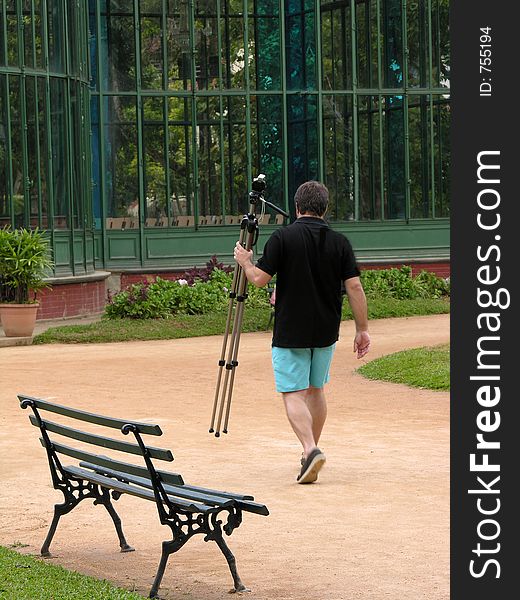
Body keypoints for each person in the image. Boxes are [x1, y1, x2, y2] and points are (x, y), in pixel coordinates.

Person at [233, 180, 370, 484]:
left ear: (297, 207)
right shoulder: (339, 242)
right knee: (316, 389)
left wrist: (245, 261)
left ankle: (310, 449)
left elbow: (257, 279)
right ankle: (311, 451)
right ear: (325, 208)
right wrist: (363, 330)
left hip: (291, 328)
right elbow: (355, 287)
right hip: (326, 329)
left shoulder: (283, 238)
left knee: (293, 393)